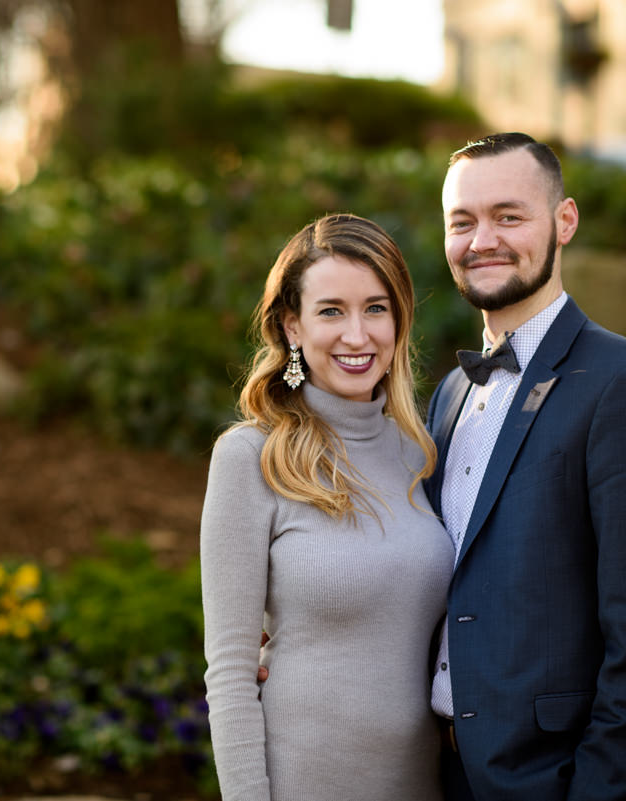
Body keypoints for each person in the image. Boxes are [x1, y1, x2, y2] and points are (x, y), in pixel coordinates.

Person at [426, 132, 626, 801]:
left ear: (565, 221)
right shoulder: (449, 393)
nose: (481, 238)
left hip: (549, 781)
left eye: (509, 215)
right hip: (439, 774)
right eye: (462, 221)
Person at [200, 213, 455, 801]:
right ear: (292, 326)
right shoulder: (251, 457)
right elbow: (232, 673)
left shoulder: (420, 454)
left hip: (421, 785)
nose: (357, 335)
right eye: (331, 311)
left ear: (399, 321)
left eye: (375, 308)